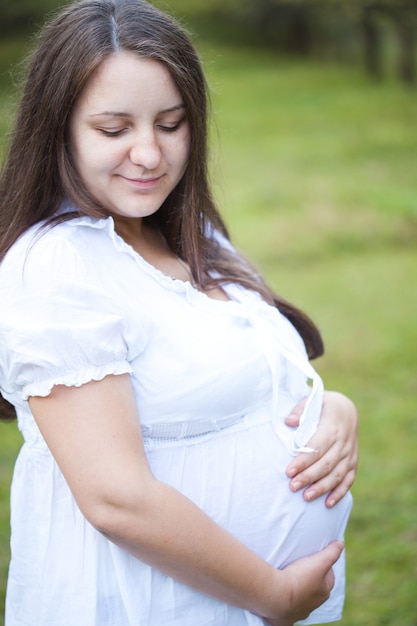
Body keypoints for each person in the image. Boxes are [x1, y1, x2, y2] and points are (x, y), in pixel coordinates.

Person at [0, 1, 358, 624]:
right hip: (156, 603)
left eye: (171, 123)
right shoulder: (58, 267)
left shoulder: (187, 233)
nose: (149, 154)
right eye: (114, 130)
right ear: (56, 129)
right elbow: (117, 498)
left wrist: (333, 411)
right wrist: (271, 597)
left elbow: (249, 377)